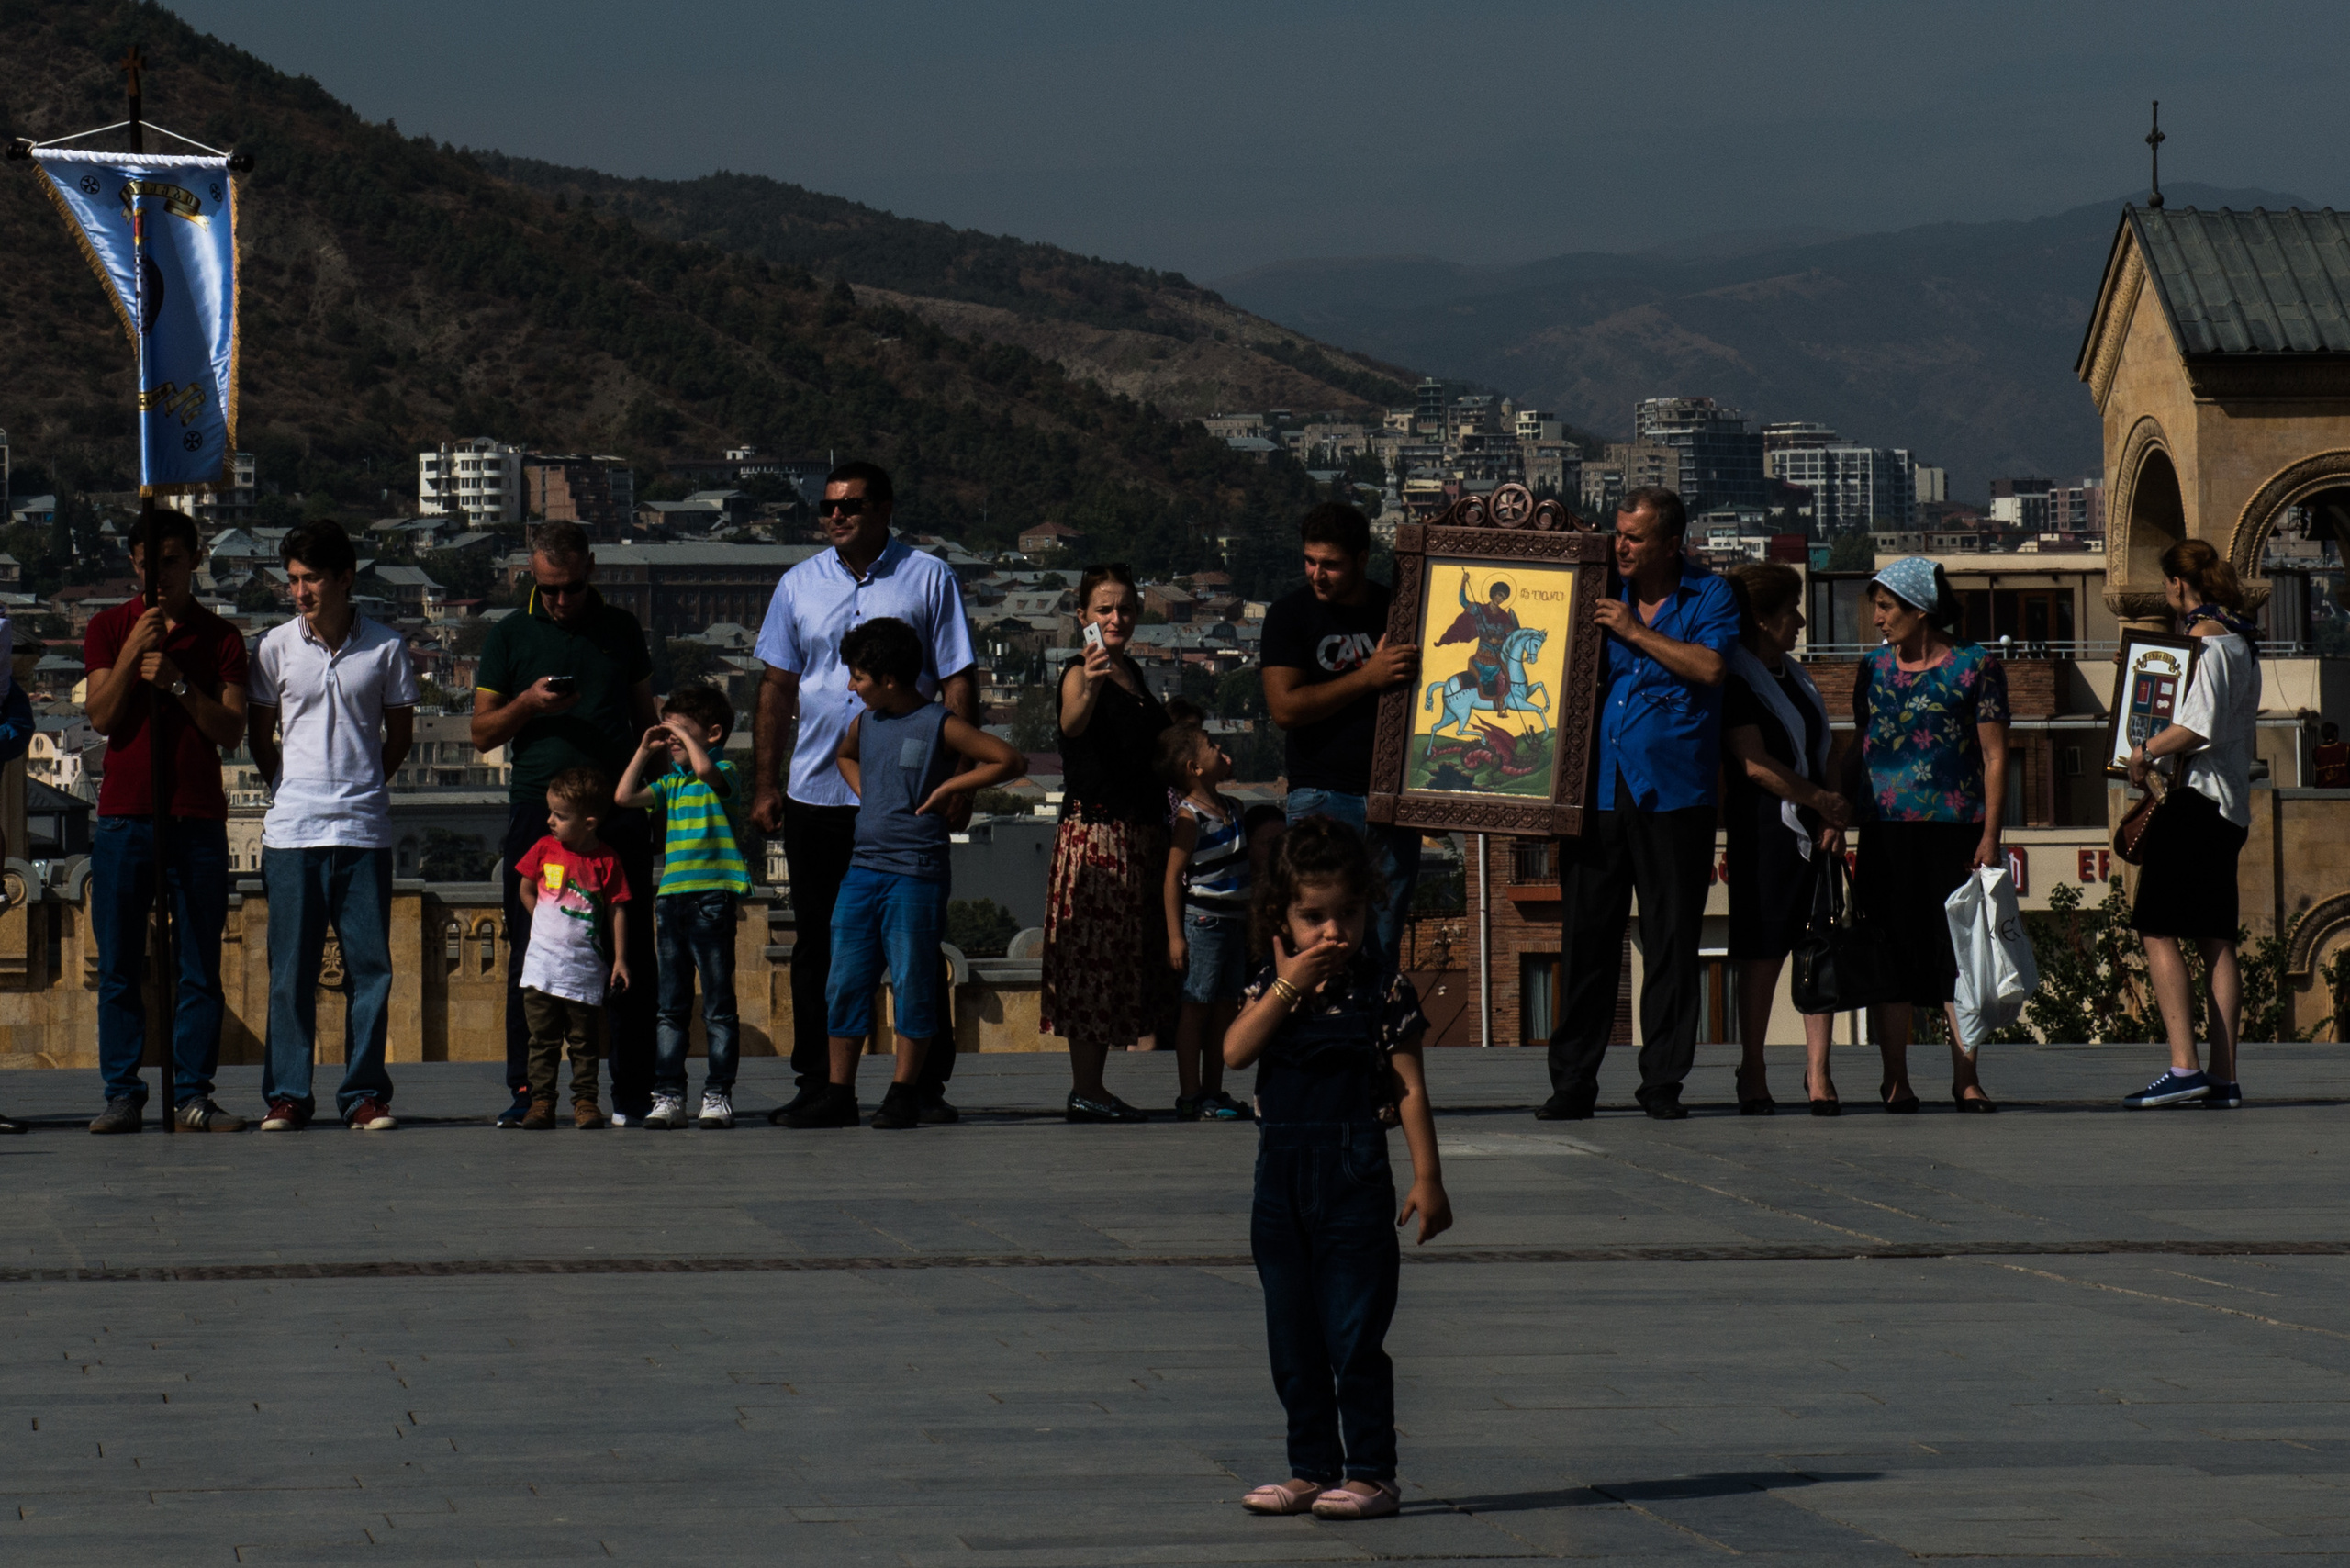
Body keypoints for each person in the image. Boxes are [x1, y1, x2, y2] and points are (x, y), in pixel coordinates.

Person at [1225, 817, 1449, 1522]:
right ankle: (1311, 1468)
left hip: (1354, 1174)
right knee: (1291, 1333)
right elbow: (1234, 1053)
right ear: (1280, 917)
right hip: (1280, 1177)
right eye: (1312, 917)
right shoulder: (1268, 984)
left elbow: (1410, 1085)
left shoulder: (1381, 990)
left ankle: (1372, 1473)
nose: (1332, 933)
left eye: (1346, 914)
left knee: (1353, 1332)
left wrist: (1428, 1178)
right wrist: (1287, 988)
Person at [749, 462, 978, 1126]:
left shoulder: (929, 577)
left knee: (915, 944)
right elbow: (776, 688)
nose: (836, 516)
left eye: (849, 505)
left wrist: (958, 777)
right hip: (818, 789)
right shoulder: (797, 585)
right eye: (827, 507)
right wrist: (767, 781)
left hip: (907, 796)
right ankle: (822, 1082)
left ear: (884, 508)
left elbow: (959, 679)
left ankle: (922, 1085)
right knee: (820, 942)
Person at [1541, 487, 1737, 1122]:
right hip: (1596, 790)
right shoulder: (1594, 588)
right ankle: (1572, 1084)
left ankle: (1662, 1084)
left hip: (1675, 795)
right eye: (1618, 533)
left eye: (1635, 537)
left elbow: (1710, 667)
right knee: (1586, 942)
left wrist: (1632, 632)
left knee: (1671, 941)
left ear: (1670, 544)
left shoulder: (1709, 596)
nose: (1620, 545)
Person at [795, 618, 1025, 1130]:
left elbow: (1009, 759)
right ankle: (839, 1092)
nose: (852, 687)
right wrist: (870, 796)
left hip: (915, 871)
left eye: (858, 677)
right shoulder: (867, 724)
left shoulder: (938, 722)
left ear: (889, 679)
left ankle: (904, 1091)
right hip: (863, 868)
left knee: (914, 982)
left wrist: (951, 789)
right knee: (846, 982)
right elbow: (845, 756)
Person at [473, 521, 659, 1127]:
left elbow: (644, 721)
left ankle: (628, 1091)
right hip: (539, 813)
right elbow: (480, 734)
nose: (559, 600)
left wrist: (651, 797)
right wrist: (528, 703)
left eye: (571, 587)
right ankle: (531, 1092)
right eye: (547, 587)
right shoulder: (509, 635)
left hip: (615, 813)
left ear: (593, 569)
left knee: (627, 952)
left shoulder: (622, 631)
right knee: (533, 954)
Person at [82, 512, 251, 1134]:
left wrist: (179, 683)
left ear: (195, 560)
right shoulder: (107, 629)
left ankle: (192, 1094)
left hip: (197, 817)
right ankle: (123, 1092)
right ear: (133, 564)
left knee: (200, 963)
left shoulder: (222, 638)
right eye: (148, 564)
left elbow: (231, 731)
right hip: (126, 817)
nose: (160, 575)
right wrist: (133, 653)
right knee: (121, 962)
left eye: (173, 562)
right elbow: (100, 715)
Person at [248, 521, 419, 1132]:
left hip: (363, 832)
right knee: (290, 973)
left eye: (311, 578)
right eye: (292, 579)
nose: (300, 592)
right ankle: (288, 1094)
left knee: (370, 969)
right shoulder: (272, 648)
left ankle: (364, 1093)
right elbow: (259, 734)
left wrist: (365, 782)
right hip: (292, 834)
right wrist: (288, 789)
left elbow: (399, 737)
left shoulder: (387, 649)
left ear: (345, 578)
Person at [1847, 556, 2007, 1112]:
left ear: (1921, 610)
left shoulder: (1974, 665)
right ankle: (1896, 1080)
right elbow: (1860, 746)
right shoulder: (1872, 668)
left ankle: (1966, 1078)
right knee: (1891, 955)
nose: (1877, 620)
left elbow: (1994, 755)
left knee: (1957, 956)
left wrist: (1991, 833)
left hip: (1955, 829)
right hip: (1885, 832)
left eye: (1886, 607)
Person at [2122, 539, 2260, 1110]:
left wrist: (2143, 751)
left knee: (2156, 926)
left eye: (2165, 585)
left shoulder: (2203, 641)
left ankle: (2184, 1065)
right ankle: (2224, 1075)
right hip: (2232, 806)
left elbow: (2195, 728)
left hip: (2196, 802)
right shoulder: (2242, 641)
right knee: (2217, 939)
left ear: (2179, 585)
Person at [1259, 502, 1423, 975]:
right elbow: (1285, 707)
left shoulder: (1397, 610)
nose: (1317, 574)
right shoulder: (1290, 616)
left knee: (1381, 950)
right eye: (1309, 561)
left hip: (1393, 801)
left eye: (1330, 564)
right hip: (1322, 797)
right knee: (1318, 949)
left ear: (1362, 558)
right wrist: (1367, 678)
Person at [1043, 564, 1174, 1121]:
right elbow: (1072, 725)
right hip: (1096, 837)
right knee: (1093, 959)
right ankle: (1086, 1088)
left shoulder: (1134, 672)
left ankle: (1095, 1086)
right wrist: (1094, 680)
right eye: (1104, 609)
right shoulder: (1081, 671)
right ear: (1082, 617)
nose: (1116, 618)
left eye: (1124, 609)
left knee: (1121, 961)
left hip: (1138, 834)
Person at [1719, 562, 1849, 1114]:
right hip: (1765, 834)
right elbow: (1753, 763)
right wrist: (1817, 802)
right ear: (1762, 620)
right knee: (1762, 951)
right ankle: (1753, 1067)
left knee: (1817, 947)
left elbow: (1822, 749)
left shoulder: (1795, 676)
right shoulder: (1735, 678)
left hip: (1816, 832)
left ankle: (1818, 1072)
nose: (1799, 621)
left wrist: (1832, 813)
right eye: (1789, 612)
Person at [614, 684, 752, 1130]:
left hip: (712, 897)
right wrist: (643, 749)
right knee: (670, 1004)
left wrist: (686, 739)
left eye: (680, 732)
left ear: (713, 733)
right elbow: (623, 798)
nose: (671, 739)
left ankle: (717, 1093)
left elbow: (708, 768)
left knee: (717, 1003)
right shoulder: (671, 784)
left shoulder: (724, 771)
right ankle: (669, 1094)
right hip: (672, 899)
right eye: (669, 733)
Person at [514, 766, 633, 1129]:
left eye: (560, 816)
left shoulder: (606, 860)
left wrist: (621, 960)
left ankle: (585, 1102)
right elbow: (526, 888)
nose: (550, 821)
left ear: (589, 822)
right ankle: (541, 1102)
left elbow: (617, 908)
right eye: (550, 812)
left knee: (585, 1043)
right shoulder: (543, 849)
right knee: (542, 1041)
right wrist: (543, 924)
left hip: (583, 971)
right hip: (541, 970)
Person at [1157, 721, 1258, 1122]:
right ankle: (1190, 1095)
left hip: (1233, 923)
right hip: (1204, 923)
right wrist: (1175, 936)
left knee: (1223, 1008)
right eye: (1212, 746)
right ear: (1193, 767)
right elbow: (1172, 879)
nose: (1221, 750)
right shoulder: (1189, 816)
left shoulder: (1235, 808)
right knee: (1195, 1007)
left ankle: (1214, 1092)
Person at [2316, 722, 2349, 789]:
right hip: (2344, 787)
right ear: (2335, 734)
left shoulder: (2317, 751)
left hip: (2323, 788)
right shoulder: (2345, 748)